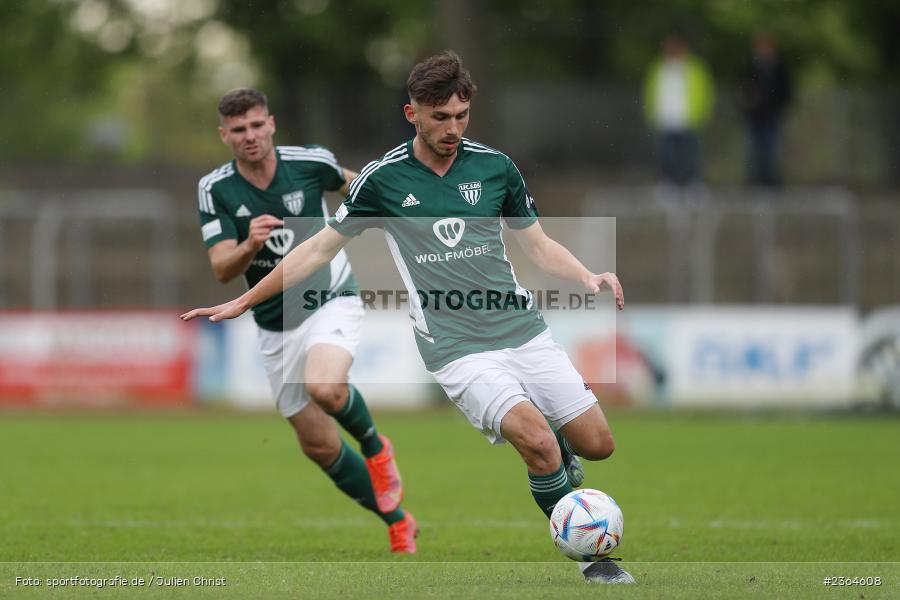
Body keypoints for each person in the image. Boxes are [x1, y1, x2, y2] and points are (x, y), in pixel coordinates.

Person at [185, 56, 631, 583]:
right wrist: (245, 301)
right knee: (536, 442)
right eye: (440, 117)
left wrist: (585, 274)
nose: (453, 128)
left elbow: (537, 245)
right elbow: (316, 250)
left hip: (521, 329)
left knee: (599, 444)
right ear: (412, 113)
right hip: (454, 346)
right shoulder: (382, 179)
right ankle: (594, 560)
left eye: (461, 115)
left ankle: (564, 453)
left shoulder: (496, 167)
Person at [196, 88, 416, 553]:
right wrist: (249, 245)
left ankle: (376, 449)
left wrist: (402, 216)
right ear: (224, 135)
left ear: (272, 124)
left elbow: (360, 186)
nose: (250, 136)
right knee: (318, 445)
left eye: (257, 125)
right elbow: (221, 269)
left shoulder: (310, 162)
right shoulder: (215, 189)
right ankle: (397, 520)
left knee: (326, 388)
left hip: (328, 296)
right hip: (274, 323)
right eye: (239, 129)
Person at [643, 35, 716, 188]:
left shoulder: (695, 68)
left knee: (691, 155)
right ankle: (668, 184)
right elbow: (650, 92)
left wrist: (702, 114)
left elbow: (705, 92)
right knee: (666, 156)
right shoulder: (658, 68)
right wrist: (652, 114)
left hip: (689, 119)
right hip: (665, 120)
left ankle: (693, 184)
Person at [739, 32, 792, 186]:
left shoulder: (779, 67)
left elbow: (786, 90)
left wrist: (780, 106)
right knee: (753, 149)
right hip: (754, 115)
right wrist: (747, 104)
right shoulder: (750, 67)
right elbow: (743, 89)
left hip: (772, 114)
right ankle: (755, 180)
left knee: (772, 148)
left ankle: (771, 180)